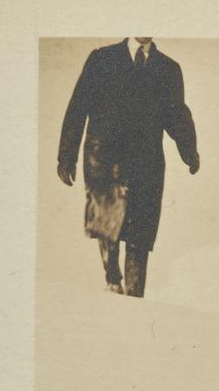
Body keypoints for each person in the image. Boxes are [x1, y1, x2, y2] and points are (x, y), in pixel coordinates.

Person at [58, 37, 199, 297]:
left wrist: (189, 149)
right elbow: (78, 107)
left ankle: (135, 296)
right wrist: (66, 155)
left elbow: (176, 113)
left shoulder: (168, 68)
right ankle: (112, 278)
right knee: (108, 222)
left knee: (140, 232)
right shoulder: (102, 58)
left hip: (147, 160)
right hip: (104, 158)